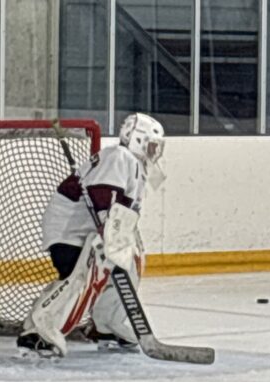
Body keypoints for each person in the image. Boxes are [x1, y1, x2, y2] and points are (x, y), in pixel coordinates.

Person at [16, 113, 166, 358]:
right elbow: (101, 193)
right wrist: (109, 226)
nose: (154, 151)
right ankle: (37, 333)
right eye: (151, 144)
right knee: (81, 278)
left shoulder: (136, 166)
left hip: (90, 232)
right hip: (71, 233)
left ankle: (107, 326)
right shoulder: (120, 156)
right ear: (136, 139)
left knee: (129, 266)